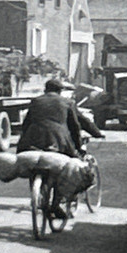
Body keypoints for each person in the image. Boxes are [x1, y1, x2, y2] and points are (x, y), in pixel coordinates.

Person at [17, 78, 84, 219]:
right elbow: (75, 127)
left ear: (45, 89)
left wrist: (23, 140)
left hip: (33, 137)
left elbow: (26, 124)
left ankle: (37, 197)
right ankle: (56, 203)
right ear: (60, 91)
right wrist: (78, 147)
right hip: (58, 140)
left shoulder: (36, 101)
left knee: (34, 164)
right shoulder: (67, 102)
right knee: (65, 168)